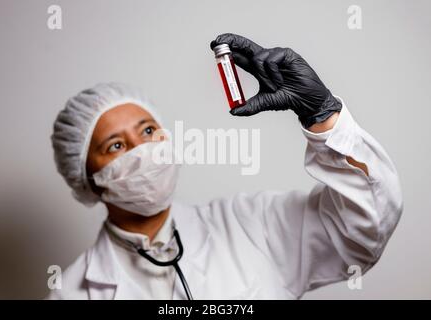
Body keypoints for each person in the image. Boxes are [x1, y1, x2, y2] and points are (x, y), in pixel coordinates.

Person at [48, 34, 402, 299]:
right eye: (116, 145)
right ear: (87, 179)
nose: (143, 151)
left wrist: (322, 114)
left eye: (149, 130)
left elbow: (362, 233)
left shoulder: (251, 223)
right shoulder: (71, 292)